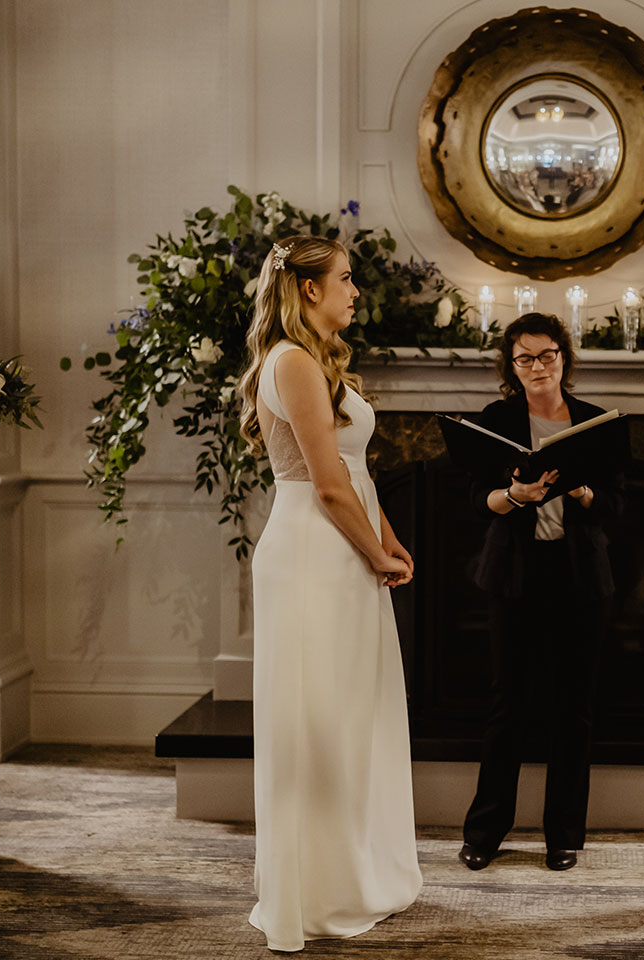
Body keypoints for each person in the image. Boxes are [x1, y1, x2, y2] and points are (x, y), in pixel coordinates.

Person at [237, 235, 421, 952]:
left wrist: (389, 536)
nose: (355, 291)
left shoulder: (315, 361)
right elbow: (324, 483)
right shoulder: (291, 362)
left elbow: (354, 469)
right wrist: (375, 549)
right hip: (315, 551)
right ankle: (317, 891)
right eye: (345, 279)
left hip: (340, 545)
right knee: (319, 718)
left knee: (351, 714)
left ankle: (353, 870)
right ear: (307, 289)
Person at [456, 313, 627, 874]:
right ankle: (485, 830)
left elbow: (620, 509)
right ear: (511, 364)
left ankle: (564, 836)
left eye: (547, 355)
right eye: (524, 357)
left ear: (564, 358)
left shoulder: (596, 423)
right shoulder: (496, 420)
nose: (537, 366)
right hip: (514, 576)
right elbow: (476, 498)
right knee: (507, 706)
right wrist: (514, 492)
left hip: (580, 578)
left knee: (572, 709)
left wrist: (581, 491)